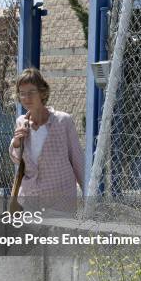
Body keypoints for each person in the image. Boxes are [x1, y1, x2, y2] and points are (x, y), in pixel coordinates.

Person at [9, 68, 84, 213]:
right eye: (22, 93)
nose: (26, 98)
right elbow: (17, 159)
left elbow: (78, 160)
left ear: (42, 92)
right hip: (31, 200)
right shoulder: (21, 121)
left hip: (61, 201)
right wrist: (17, 142)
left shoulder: (63, 121)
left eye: (31, 92)